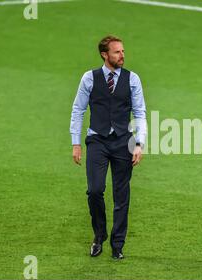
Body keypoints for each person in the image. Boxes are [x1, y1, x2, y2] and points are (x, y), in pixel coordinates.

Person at [69, 35, 147, 259]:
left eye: (123, 51)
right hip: (98, 141)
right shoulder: (89, 78)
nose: (122, 55)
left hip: (124, 142)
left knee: (122, 195)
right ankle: (99, 235)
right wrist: (76, 143)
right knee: (94, 191)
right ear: (105, 55)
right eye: (117, 52)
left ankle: (118, 245)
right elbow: (78, 110)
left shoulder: (133, 79)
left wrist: (139, 143)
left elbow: (140, 113)